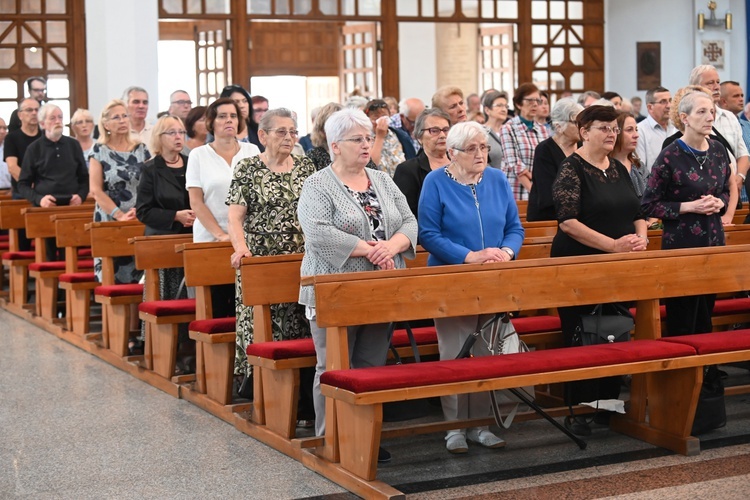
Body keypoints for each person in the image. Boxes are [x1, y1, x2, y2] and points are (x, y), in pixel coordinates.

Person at [297, 108, 417, 446]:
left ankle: (363, 441)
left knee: (369, 366)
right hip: (334, 288)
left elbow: (409, 222)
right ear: (335, 145)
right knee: (332, 366)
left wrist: (390, 247)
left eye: (368, 138)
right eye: (357, 139)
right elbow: (318, 232)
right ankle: (331, 439)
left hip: (380, 288)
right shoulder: (317, 184)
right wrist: (370, 249)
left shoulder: (381, 179)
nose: (366, 145)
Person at [418, 121, 524, 454]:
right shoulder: (435, 182)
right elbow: (429, 234)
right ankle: (454, 429)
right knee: (455, 352)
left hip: (494, 278)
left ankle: (480, 425)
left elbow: (514, 227)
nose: (481, 154)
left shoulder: (495, 178)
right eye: (472, 149)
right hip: (452, 279)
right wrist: (469, 256)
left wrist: (506, 252)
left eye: (484, 148)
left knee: (486, 353)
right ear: (452, 152)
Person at [551, 105, 648, 435]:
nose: (612, 134)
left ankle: (608, 405)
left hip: (617, 267)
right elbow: (568, 222)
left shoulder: (618, 168)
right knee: (583, 336)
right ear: (584, 132)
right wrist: (613, 246)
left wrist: (640, 238)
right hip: (579, 267)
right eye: (604, 128)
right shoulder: (571, 169)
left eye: (614, 128)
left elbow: (638, 211)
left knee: (616, 330)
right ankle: (580, 411)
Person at [226, 107, 317, 422]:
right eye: (281, 131)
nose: (289, 137)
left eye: (293, 131)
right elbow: (235, 216)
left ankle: (303, 405)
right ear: (262, 135)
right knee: (267, 330)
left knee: (302, 328)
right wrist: (241, 249)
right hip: (261, 263)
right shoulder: (248, 168)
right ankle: (267, 401)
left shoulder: (306, 168)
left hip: (302, 262)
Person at [641, 90, 731, 337]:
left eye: (711, 111)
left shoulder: (718, 150)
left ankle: (708, 371)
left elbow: (726, 191)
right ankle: (683, 372)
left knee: (706, 311)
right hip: (682, 244)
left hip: (713, 241)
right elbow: (649, 204)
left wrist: (718, 203)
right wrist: (689, 206)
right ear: (685, 117)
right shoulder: (670, 154)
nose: (709, 117)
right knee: (683, 316)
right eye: (702, 112)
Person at [186, 98, 260, 328]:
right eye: (222, 116)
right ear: (211, 122)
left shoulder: (252, 151)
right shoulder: (199, 155)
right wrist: (220, 234)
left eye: (234, 116)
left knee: (246, 303)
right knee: (217, 303)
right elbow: (196, 202)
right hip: (211, 236)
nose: (229, 120)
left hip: (246, 238)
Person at [136, 114, 195, 372]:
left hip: (192, 240)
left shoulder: (193, 163)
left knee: (192, 298)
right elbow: (143, 211)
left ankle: (190, 355)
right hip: (163, 241)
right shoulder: (151, 169)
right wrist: (175, 216)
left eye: (181, 132)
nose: (178, 137)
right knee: (171, 296)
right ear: (160, 138)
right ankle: (165, 356)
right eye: (172, 133)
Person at [89, 99, 151, 284]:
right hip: (110, 216)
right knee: (113, 272)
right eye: (117, 117)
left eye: (125, 116)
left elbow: (149, 184)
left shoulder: (141, 148)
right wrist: (118, 214)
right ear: (106, 124)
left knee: (141, 270)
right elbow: (96, 190)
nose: (123, 120)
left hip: (138, 215)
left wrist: (139, 210)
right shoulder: (99, 150)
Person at [18, 103, 89, 261]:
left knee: (70, 256)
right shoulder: (34, 149)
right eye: (52, 118)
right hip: (46, 208)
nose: (58, 121)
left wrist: (81, 196)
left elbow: (84, 178)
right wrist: (39, 199)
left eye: (60, 117)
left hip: (72, 207)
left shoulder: (73, 144)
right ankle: (52, 287)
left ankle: (68, 286)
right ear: (42, 123)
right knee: (49, 257)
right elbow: (22, 184)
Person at [527, 97, 583, 221]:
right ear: (559, 126)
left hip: (579, 216)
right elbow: (548, 194)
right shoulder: (544, 150)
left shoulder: (583, 147)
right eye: (576, 122)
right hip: (549, 219)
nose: (582, 127)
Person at [393, 108, 451, 219]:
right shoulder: (408, 170)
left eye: (446, 130)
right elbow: (406, 216)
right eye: (434, 131)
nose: (443, 135)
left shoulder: (460, 165)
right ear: (419, 137)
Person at [500, 82, 550, 200]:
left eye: (537, 101)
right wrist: (534, 191)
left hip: (539, 190)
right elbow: (514, 164)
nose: (534, 105)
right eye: (530, 101)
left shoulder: (542, 129)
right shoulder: (508, 128)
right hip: (516, 192)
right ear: (519, 104)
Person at [4, 98, 42, 201]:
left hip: (46, 192)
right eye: (29, 110)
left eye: (37, 110)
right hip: (21, 193)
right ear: (20, 115)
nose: (34, 113)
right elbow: (12, 167)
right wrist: (30, 184)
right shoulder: (11, 138)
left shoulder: (46, 136)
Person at [365, 99, 414, 177]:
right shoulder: (364, 139)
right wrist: (379, 137)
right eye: (375, 117)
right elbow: (371, 166)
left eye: (384, 116)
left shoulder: (401, 135)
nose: (381, 120)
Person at [635, 86, 675, 174]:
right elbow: (641, 169)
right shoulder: (640, 131)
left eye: (670, 101)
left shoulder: (676, 127)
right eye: (663, 102)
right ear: (650, 107)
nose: (669, 106)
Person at [610, 111, 648, 198]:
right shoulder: (605, 167)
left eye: (636, 130)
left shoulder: (639, 166)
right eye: (629, 130)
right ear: (616, 132)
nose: (636, 135)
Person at [305, 102, 343, 171]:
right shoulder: (313, 157)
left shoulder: (354, 153)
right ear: (322, 130)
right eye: (334, 127)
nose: (339, 131)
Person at [483, 90, 509, 169]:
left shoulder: (510, 130)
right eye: (499, 105)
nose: (504, 109)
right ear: (487, 110)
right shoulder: (480, 132)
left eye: (506, 106)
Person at [0, 117, 9, 189]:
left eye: (4, 128)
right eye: (0, 128)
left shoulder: (10, 148)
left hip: (9, 193)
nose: (2, 131)